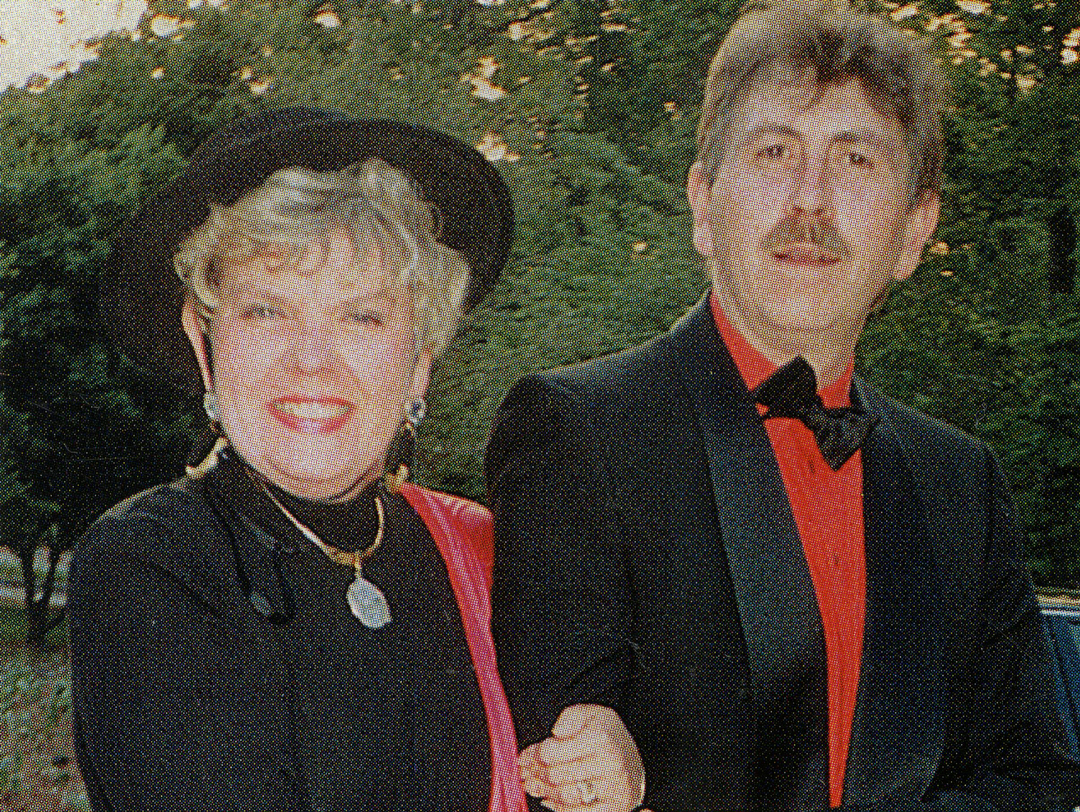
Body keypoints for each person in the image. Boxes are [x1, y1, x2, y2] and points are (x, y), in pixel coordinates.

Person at [485, 2, 1080, 810]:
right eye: (774, 151)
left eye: (856, 159)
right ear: (703, 204)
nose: (810, 199)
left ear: (915, 231)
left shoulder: (961, 481)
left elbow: (1033, 781)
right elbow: (552, 778)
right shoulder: (576, 431)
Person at [69, 108, 640, 812]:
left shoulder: (488, 557)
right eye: (266, 311)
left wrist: (618, 767)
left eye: (362, 317)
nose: (312, 361)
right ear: (203, 338)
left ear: (420, 361)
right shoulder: (149, 562)